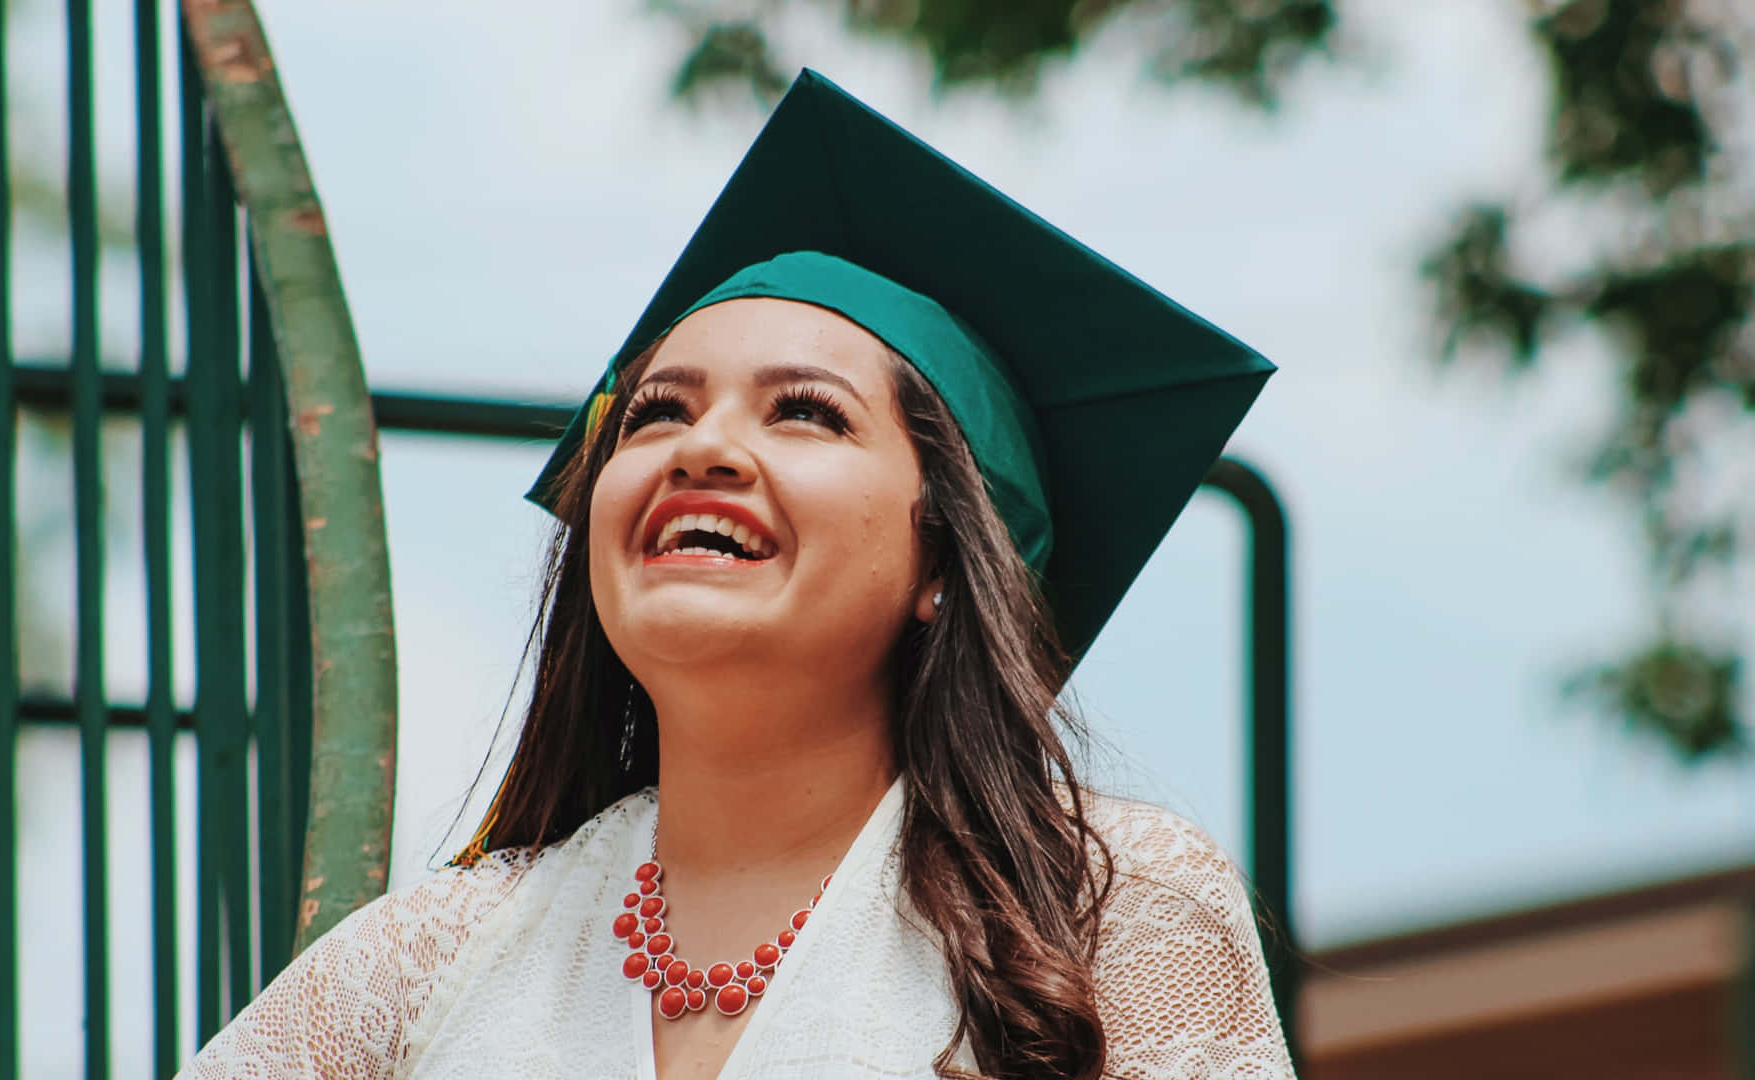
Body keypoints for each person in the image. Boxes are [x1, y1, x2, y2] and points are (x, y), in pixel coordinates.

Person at [180, 71, 1293, 1080]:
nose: (698, 448)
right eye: (657, 412)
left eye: (806, 412)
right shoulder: (430, 964)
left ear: (945, 558)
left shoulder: (1108, 911)